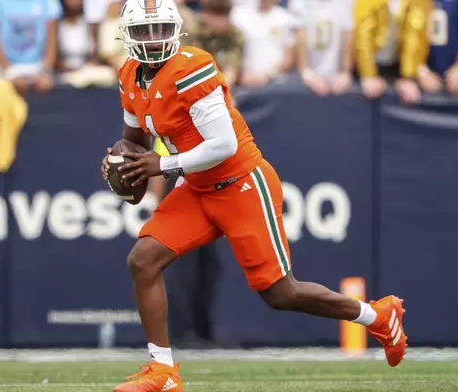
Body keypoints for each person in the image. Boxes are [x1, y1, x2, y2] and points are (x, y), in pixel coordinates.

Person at [100, 1, 407, 391]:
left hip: (240, 183)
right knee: (143, 260)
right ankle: (163, 372)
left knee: (280, 293)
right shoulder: (130, 74)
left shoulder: (192, 68)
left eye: (161, 29)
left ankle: (377, 316)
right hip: (196, 186)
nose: (154, 39)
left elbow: (223, 145)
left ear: (177, 29)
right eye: (144, 31)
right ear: (127, 35)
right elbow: (133, 140)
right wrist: (122, 163)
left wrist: (160, 166)